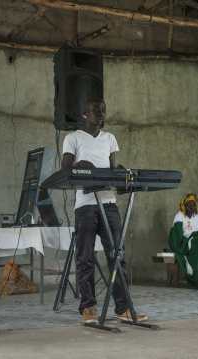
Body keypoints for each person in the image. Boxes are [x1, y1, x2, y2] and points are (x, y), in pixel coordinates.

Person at [61, 97, 147, 324]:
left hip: (109, 204)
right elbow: (66, 170)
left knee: (117, 256)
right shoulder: (73, 138)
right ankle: (88, 307)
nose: (100, 114)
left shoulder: (110, 138)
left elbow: (111, 171)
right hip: (86, 205)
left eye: (103, 111)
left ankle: (123, 308)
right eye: (96, 110)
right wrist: (78, 166)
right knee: (86, 258)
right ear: (84, 113)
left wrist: (119, 172)